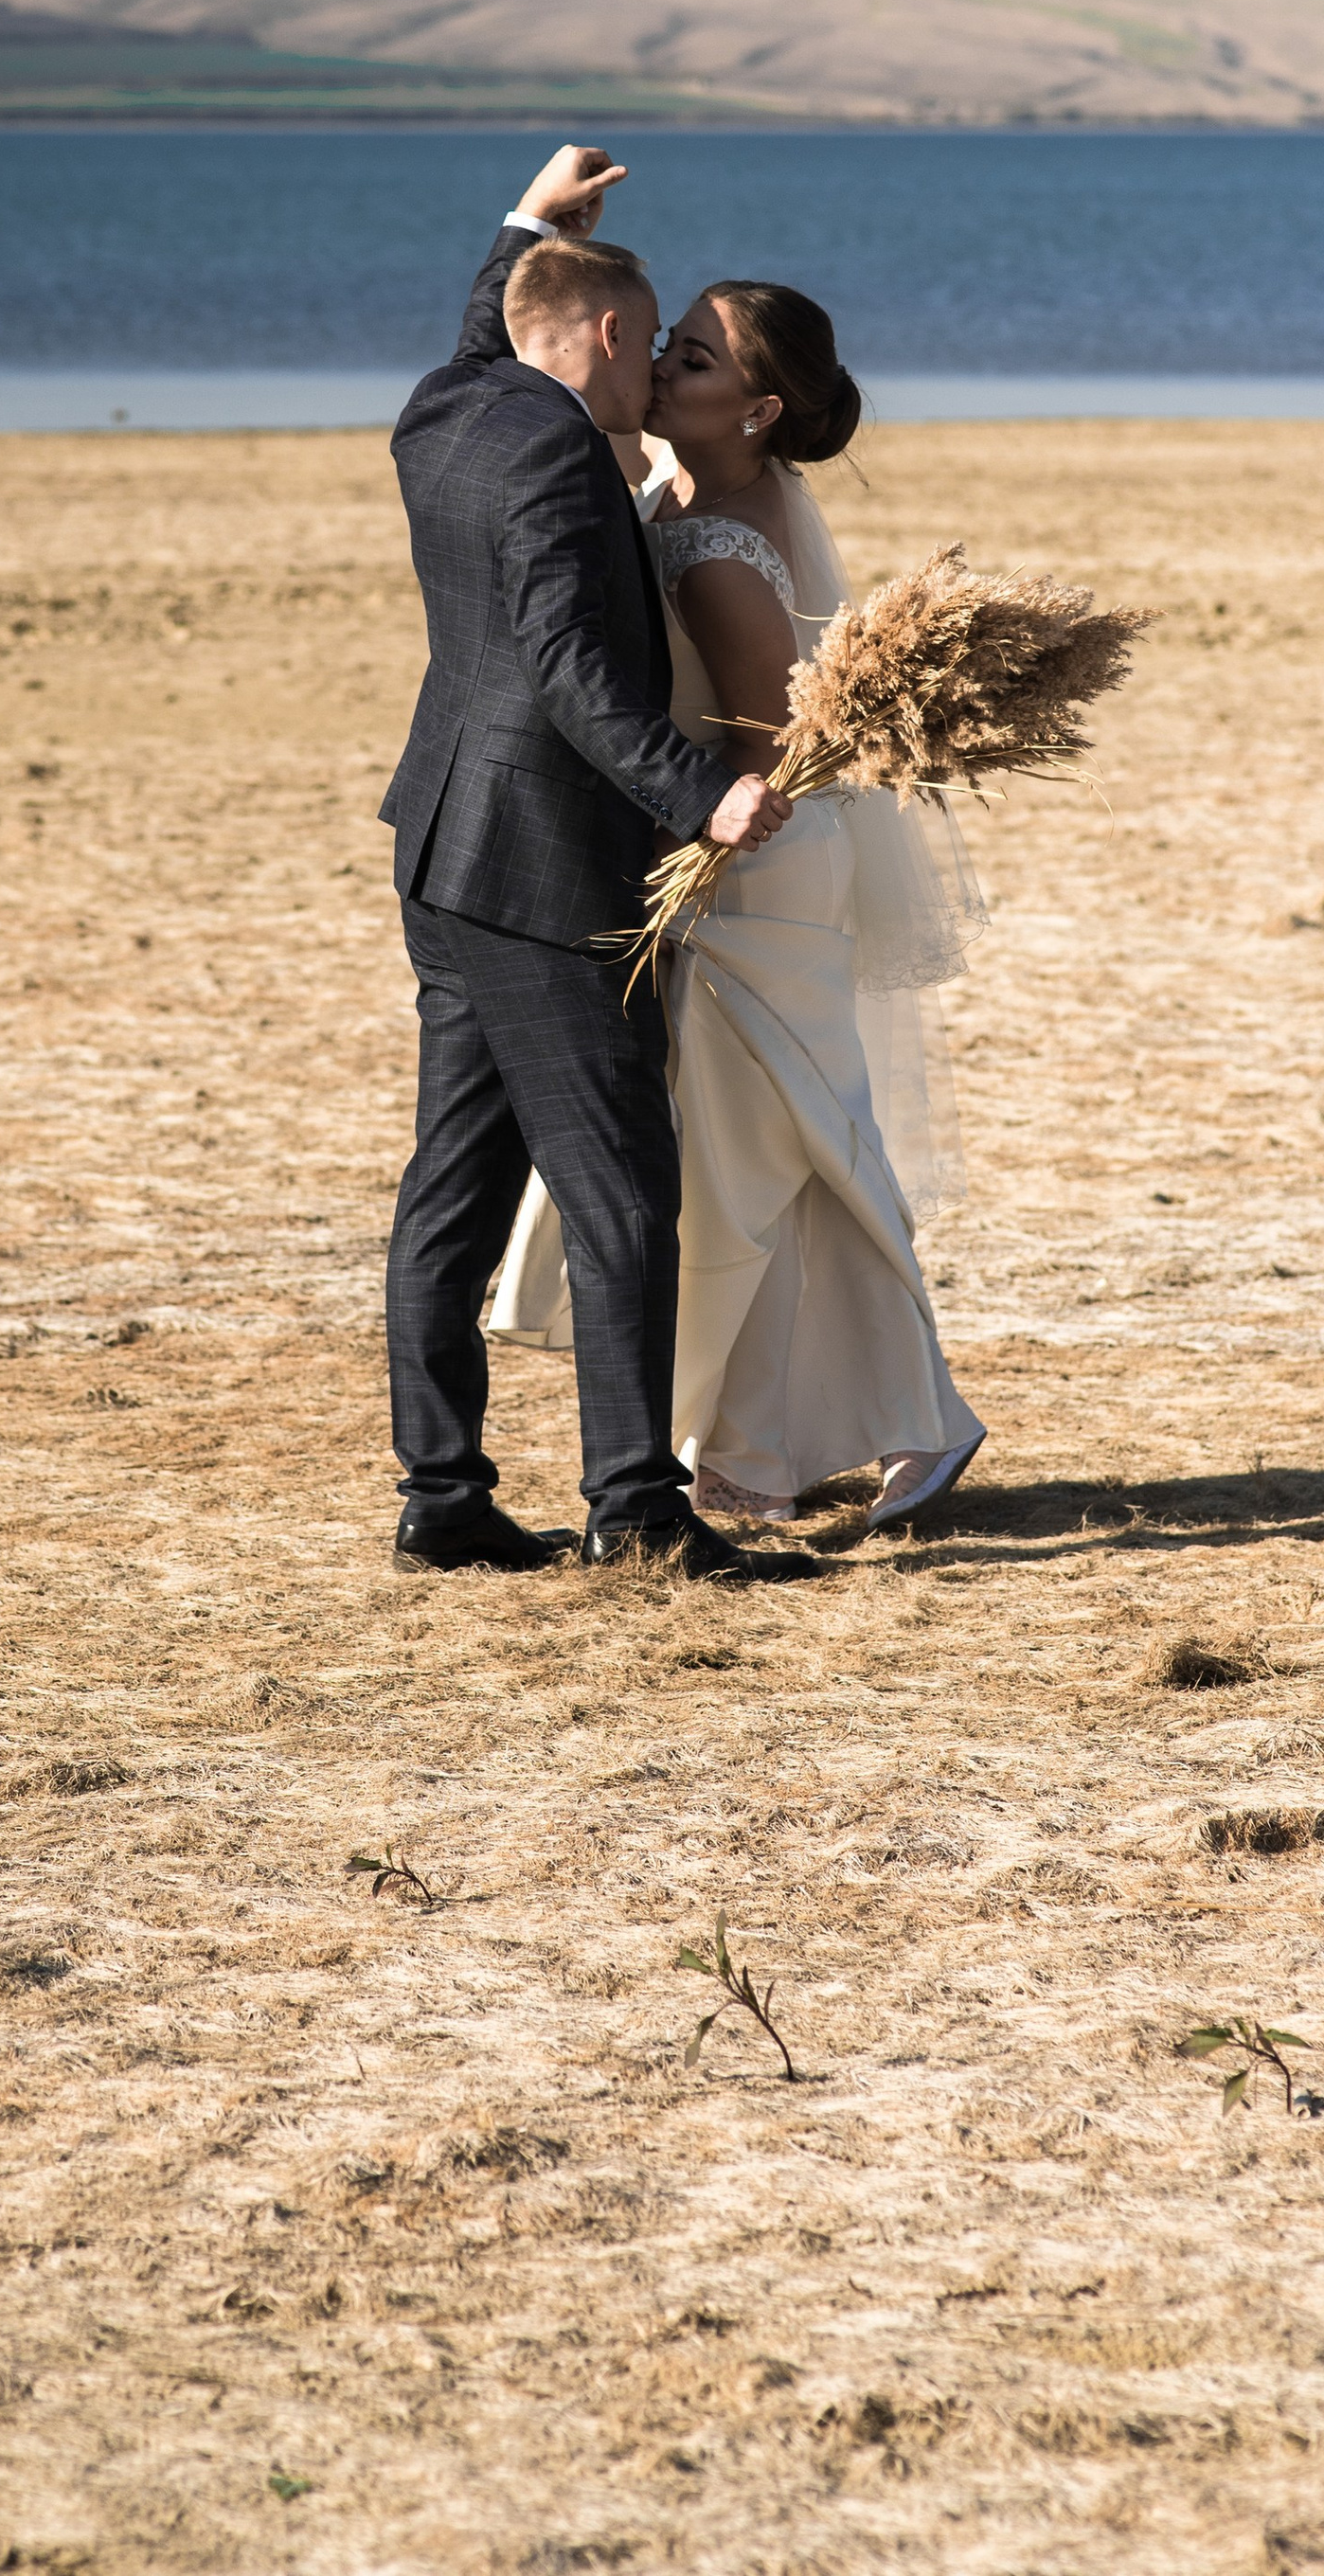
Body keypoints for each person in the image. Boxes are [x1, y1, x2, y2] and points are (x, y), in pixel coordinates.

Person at [492, 265, 990, 1531]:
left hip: (751, 867)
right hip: (739, 858)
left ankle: (781, 1452)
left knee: (760, 1162)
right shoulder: (692, 492)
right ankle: (844, 1430)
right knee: (776, 1153)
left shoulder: (717, 544)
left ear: (759, 412)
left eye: (696, 362)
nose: (663, 367)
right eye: (667, 344)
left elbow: (773, 739)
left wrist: (683, 846)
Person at [380, 144, 791, 1582]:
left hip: (444, 851)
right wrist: (704, 795)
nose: (648, 383)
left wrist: (526, 225)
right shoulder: (556, 449)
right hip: (544, 870)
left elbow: (487, 324)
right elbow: (564, 665)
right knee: (622, 1191)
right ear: (611, 337)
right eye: (649, 338)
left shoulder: (452, 407)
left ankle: (442, 1500)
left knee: (455, 1185)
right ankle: (639, 1514)